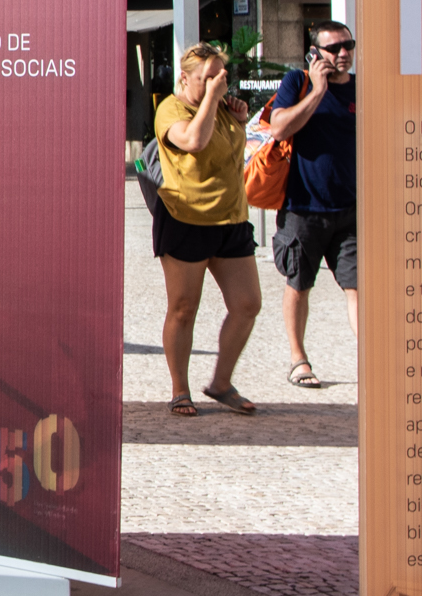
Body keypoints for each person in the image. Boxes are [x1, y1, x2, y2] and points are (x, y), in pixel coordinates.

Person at [153, 40, 262, 419]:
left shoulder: (223, 109)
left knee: (248, 304)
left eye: (221, 76)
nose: (217, 83)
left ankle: (221, 382)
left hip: (231, 219)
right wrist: (215, 100)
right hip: (186, 218)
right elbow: (195, 142)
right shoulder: (172, 110)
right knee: (184, 308)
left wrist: (237, 117)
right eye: (207, 78)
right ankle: (180, 390)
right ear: (185, 78)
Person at [267, 21, 358, 388]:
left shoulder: (361, 88)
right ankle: (298, 358)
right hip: (303, 207)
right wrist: (318, 91)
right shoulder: (297, 83)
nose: (343, 54)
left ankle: (368, 361)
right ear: (314, 54)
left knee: (358, 288)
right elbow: (279, 128)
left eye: (348, 45)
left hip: (350, 210)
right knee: (299, 283)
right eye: (334, 48)